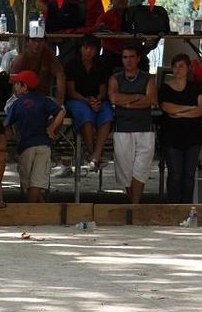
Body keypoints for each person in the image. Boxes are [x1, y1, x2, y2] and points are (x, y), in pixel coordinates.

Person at [4, 70, 65, 203]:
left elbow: (7, 125)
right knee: (36, 182)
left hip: (26, 146)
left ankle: (30, 209)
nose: (15, 86)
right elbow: (61, 112)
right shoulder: (44, 101)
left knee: (28, 182)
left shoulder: (16, 104)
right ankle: (40, 207)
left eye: (17, 84)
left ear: (24, 87)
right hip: (44, 144)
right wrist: (52, 128)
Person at [108, 43, 157, 203]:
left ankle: (135, 206)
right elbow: (114, 98)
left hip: (144, 129)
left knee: (140, 171)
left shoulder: (148, 78)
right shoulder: (115, 79)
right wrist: (137, 97)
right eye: (125, 57)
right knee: (125, 173)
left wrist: (127, 101)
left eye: (131, 57)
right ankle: (132, 205)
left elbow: (150, 99)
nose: (128, 61)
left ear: (138, 59)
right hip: (123, 130)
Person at [65, 34, 113, 170]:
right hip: (77, 100)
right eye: (85, 48)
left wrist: (97, 100)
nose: (88, 51)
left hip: (97, 99)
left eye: (92, 48)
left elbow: (103, 90)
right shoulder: (72, 64)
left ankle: (96, 154)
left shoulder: (101, 65)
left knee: (107, 115)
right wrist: (87, 101)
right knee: (85, 116)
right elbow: (71, 91)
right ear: (80, 48)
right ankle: (92, 154)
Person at [158, 54, 202, 203]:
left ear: (188, 68)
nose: (178, 69)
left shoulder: (196, 87)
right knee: (175, 175)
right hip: (172, 137)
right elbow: (167, 107)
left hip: (193, 137)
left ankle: (187, 210)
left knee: (189, 176)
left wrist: (180, 112)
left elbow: (200, 110)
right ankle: (173, 207)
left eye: (181, 66)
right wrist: (190, 109)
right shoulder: (165, 87)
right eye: (175, 66)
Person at [9, 30, 65, 106]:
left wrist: (60, 100)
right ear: (28, 42)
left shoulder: (49, 55)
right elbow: (14, 87)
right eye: (34, 40)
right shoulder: (20, 60)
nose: (37, 44)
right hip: (22, 97)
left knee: (60, 110)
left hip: (43, 96)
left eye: (40, 41)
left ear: (45, 42)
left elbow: (60, 75)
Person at [95, 0, 129, 79]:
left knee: (143, 61)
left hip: (130, 52)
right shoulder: (106, 16)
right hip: (111, 54)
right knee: (104, 62)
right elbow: (97, 29)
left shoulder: (133, 14)